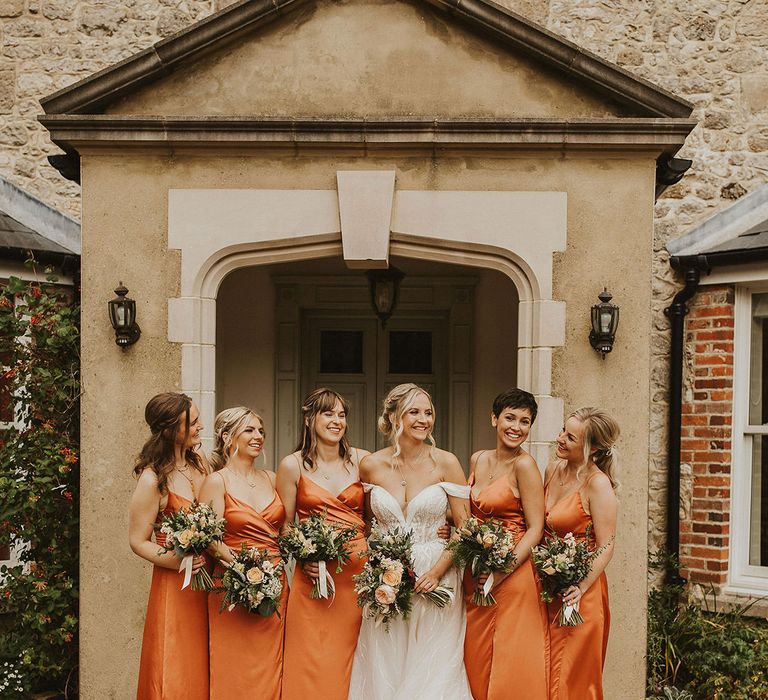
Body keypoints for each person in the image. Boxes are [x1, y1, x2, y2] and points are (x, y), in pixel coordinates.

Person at [348, 383, 473, 700]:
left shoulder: (446, 463)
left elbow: (465, 528)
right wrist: (377, 568)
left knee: (432, 664)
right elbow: (367, 524)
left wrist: (437, 571)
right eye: (414, 412)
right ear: (392, 416)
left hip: (436, 578)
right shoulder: (371, 465)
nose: (423, 419)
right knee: (385, 659)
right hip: (386, 579)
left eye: (428, 412)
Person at [278, 389, 370, 700]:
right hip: (314, 580)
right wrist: (305, 556)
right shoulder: (292, 466)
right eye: (328, 414)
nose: (337, 421)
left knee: (355, 659)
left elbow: (380, 515)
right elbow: (286, 526)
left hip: (358, 580)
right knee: (312, 660)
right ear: (309, 419)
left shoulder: (362, 460)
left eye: (341, 415)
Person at [463, 388, 547, 700]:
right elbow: (470, 511)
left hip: (512, 574)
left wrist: (501, 570)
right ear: (494, 419)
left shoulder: (525, 466)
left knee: (509, 662)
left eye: (525, 422)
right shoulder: (478, 459)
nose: (516, 427)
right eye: (510, 417)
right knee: (476, 656)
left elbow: (536, 528)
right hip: (475, 571)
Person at [198, 407, 287, 700]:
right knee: (233, 667)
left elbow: (287, 530)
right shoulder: (217, 481)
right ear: (227, 436)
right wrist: (246, 572)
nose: (258, 436)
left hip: (276, 586)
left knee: (270, 667)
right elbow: (210, 539)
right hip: (231, 586)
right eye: (249, 430)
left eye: (261, 431)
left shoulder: (272, 478)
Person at [129, 392, 210, 700]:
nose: (200, 426)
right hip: (174, 584)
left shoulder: (200, 464)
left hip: (207, 579)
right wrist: (179, 560)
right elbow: (138, 541)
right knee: (175, 659)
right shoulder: (152, 479)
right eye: (194, 421)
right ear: (170, 428)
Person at [543, 407, 619, 700]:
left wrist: (581, 586)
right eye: (563, 430)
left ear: (593, 448)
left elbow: (607, 544)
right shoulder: (553, 469)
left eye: (570, 437)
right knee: (544, 673)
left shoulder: (597, 484)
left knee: (570, 681)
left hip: (579, 595)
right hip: (547, 587)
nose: (560, 438)